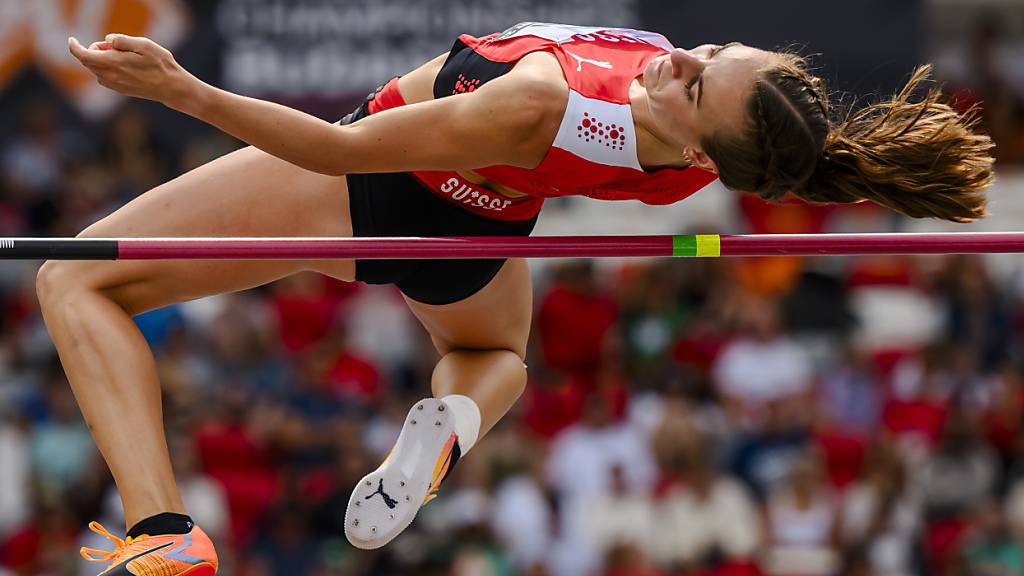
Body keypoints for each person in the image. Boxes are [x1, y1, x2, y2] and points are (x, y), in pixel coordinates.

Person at [40, 21, 992, 575]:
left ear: (701, 148)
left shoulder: (538, 100)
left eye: (694, 88)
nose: (680, 62)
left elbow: (334, 150)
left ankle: (164, 536)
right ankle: (454, 419)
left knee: (74, 278)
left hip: (371, 190)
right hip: (484, 234)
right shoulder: (688, 173)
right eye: (712, 51)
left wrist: (183, 90)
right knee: (496, 360)